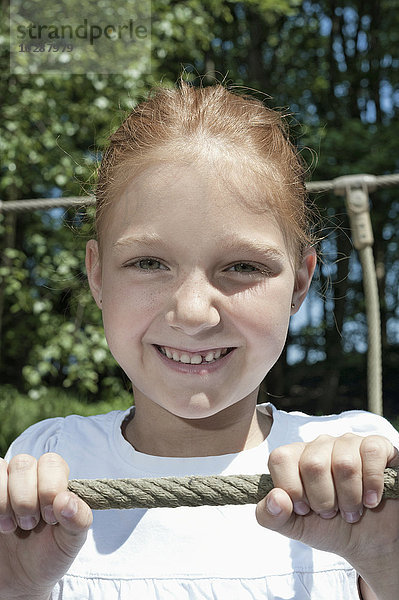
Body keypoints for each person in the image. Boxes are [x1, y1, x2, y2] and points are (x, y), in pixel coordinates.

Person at [1, 79, 398, 600]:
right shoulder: (45, 465)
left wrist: (386, 563)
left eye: (242, 266)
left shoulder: (359, 466)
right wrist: (16, 588)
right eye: (148, 262)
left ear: (300, 282)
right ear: (97, 276)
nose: (192, 313)